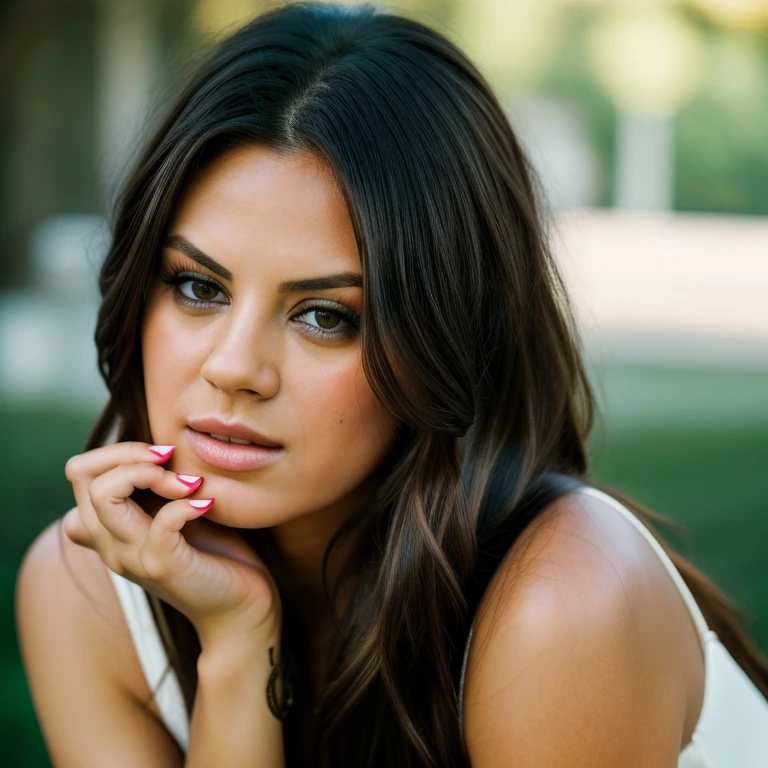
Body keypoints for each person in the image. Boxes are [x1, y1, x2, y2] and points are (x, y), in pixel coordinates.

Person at [14, 2, 768, 766]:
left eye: (325, 316)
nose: (234, 367)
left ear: (444, 340)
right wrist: (240, 649)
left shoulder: (560, 605)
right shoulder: (84, 593)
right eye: (199, 287)